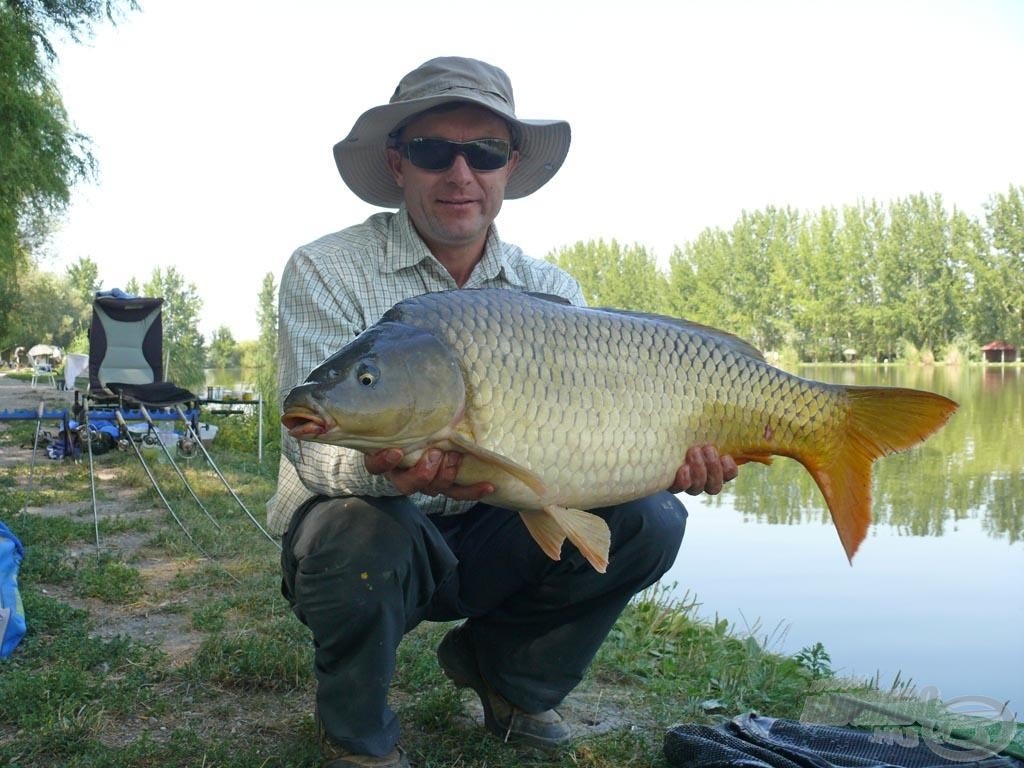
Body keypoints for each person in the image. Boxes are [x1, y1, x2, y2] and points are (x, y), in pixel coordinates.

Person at [268, 56, 739, 768]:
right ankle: (357, 731)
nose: (460, 174)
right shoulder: (324, 269)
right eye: (433, 151)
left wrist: (665, 460)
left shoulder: (548, 288)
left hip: (499, 525)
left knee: (651, 517)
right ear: (398, 162)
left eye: (483, 152)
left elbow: (593, 443)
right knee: (360, 531)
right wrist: (406, 473)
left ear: (508, 166)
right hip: (370, 534)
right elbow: (312, 447)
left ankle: (508, 678)